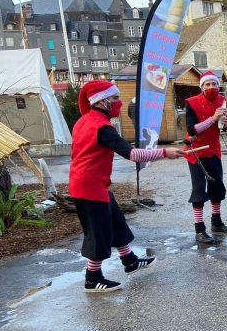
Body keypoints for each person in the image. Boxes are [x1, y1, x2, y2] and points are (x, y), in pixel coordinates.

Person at [69, 80, 184, 293]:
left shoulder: (84, 121)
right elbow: (131, 154)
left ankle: (129, 261)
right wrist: (164, 153)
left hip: (92, 183)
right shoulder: (102, 127)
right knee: (98, 232)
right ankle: (92, 278)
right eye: (114, 98)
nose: (118, 102)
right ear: (101, 101)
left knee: (115, 221)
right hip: (89, 187)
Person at [184, 70, 227, 242]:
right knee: (199, 189)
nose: (211, 87)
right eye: (207, 84)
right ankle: (199, 230)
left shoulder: (223, 101)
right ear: (202, 87)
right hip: (195, 150)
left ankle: (216, 222)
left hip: (213, 149)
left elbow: (224, 127)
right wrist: (213, 118)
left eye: (214, 84)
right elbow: (192, 130)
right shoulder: (191, 103)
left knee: (217, 186)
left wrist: (226, 123)